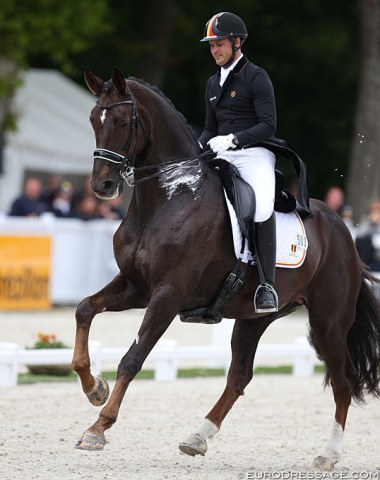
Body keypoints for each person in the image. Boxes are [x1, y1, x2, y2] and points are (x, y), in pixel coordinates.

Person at [198, 12, 278, 313]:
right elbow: (209, 127)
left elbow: (268, 125)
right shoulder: (212, 83)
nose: (214, 50)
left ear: (236, 42)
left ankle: (267, 285)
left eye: (219, 44)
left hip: (254, 153)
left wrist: (233, 139)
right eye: (211, 46)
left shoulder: (256, 76)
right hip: (221, 153)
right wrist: (201, 144)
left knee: (261, 206)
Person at [355, 200, 380, 272]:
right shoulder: (366, 224)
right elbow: (360, 234)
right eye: (373, 212)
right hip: (369, 259)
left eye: (377, 212)